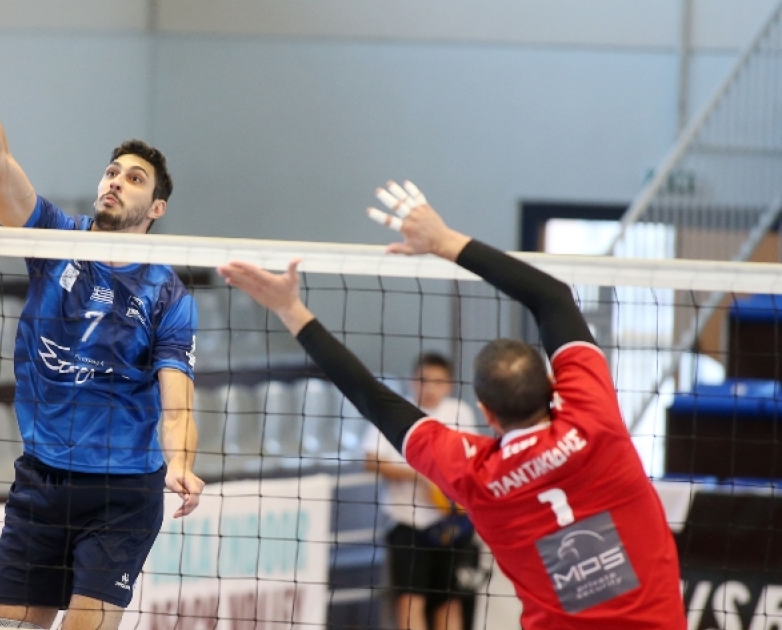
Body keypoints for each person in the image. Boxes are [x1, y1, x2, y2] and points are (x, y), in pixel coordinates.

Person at [217, 182, 685, 630]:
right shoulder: (593, 419)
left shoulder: (476, 476)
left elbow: (371, 398)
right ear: (550, 384)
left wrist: (291, 310)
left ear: (486, 411)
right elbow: (553, 298)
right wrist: (444, 241)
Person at [0, 28, 203, 630]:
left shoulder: (167, 294)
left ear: (156, 209)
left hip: (121, 494)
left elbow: (177, 402)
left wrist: (182, 461)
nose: (116, 181)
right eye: (112, 171)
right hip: (42, 480)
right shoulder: (56, 239)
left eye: (135, 178)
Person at [365, 353, 479, 630]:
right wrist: (421, 476)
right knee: (410, 601)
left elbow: (471, 461)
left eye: (437, 381)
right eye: (423, 380)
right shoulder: (394, 411)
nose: (429, 388)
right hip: (408, 524)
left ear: (449, 384)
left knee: (450, 602)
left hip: (452, 525)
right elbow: (370, 461)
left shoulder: (459, 412)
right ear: (412, 381)